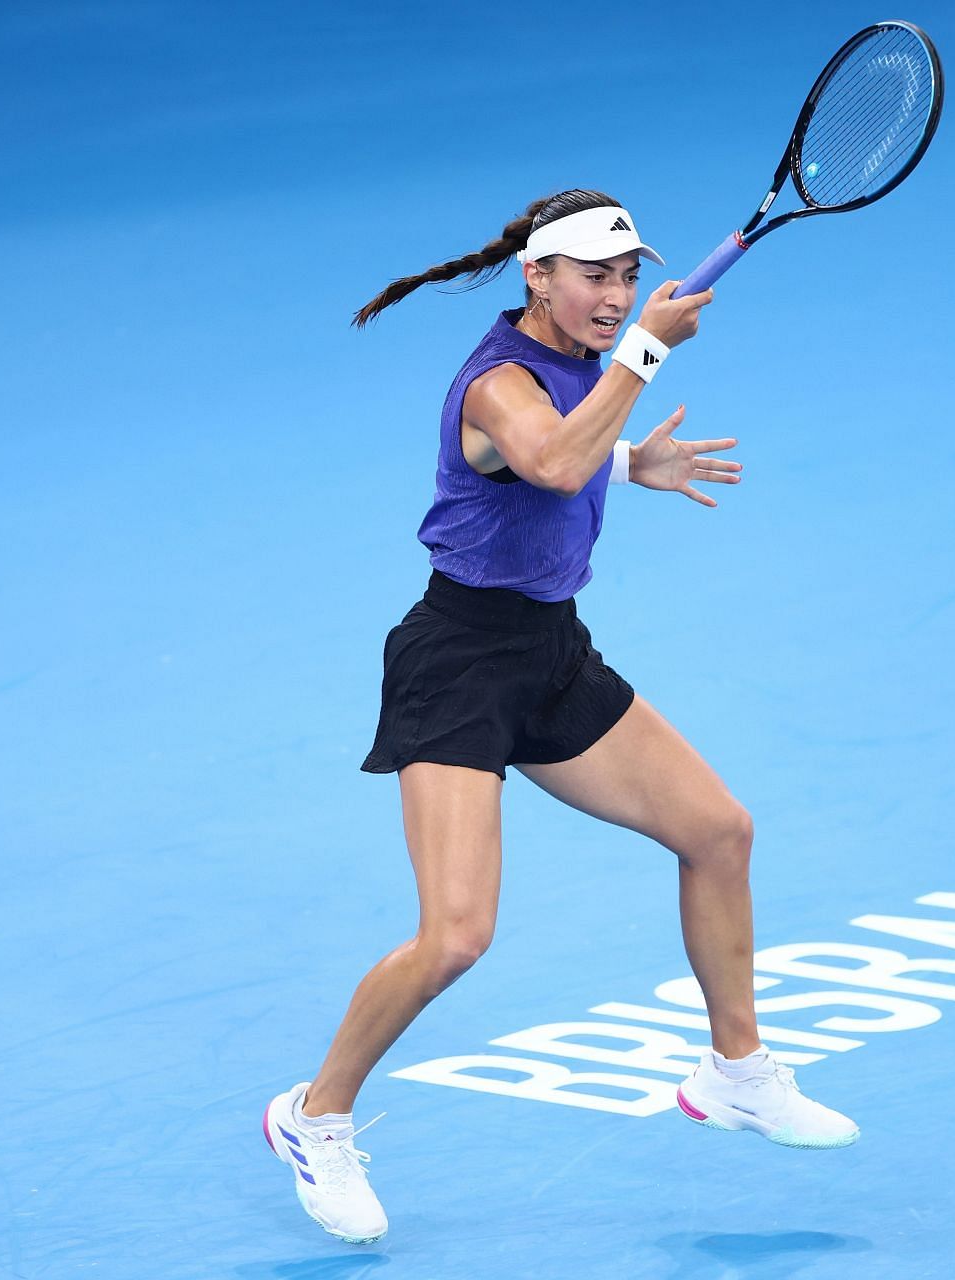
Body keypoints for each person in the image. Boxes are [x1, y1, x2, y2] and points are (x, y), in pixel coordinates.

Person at [260, 189, 859, 1245]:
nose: (616, 294)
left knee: (718, 831)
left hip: (550, 653)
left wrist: (636, 462)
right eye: (594, 274)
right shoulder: (497, 378)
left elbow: (575, 456)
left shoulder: (577, 362)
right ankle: (314, 1114)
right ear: (537, 277)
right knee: (456, 935)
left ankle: (738, 1073)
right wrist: (646, 353)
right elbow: (545, 457)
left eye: (628, 275)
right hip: (457, 665)